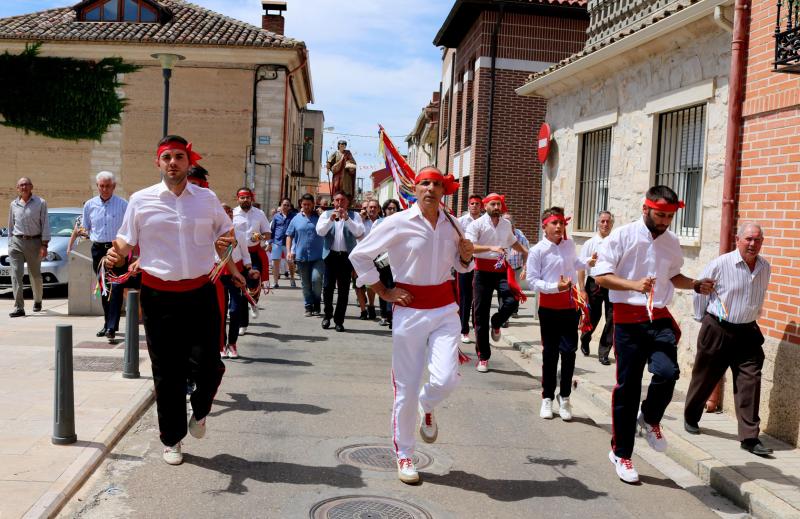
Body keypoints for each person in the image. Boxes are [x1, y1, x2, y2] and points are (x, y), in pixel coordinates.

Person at [105, 135, 244, 466]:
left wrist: (230, 251)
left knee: (209, 365)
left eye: (179, 157)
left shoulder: (206, 199)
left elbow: (225, 236)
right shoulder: (141, 200)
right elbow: (125, 240)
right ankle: (172, 439)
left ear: (188, 162)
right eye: (167, 157)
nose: (173, 162)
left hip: (200, 293)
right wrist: (116, 254)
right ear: (158, 162)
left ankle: (200, 411)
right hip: (158, 297)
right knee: (167, 372)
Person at [350, 166, 474, 484]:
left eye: (436, 184)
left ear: (444, 191)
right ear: (414, 189)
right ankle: (405, 453)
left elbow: (462, 266)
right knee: (405, 386)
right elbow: (360, 256)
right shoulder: (398, 222)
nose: (430, 188)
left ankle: (428, 402)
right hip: (410, 310)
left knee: (447, 378)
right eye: (424, 183)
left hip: (446, 309)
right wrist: (385, 291)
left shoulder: (453, 224)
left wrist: (467, 256)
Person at [594, 185, 714, 484]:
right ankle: (622, 454)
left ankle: (649, 418)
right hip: (627, 319)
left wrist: (696, 284)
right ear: (645, 209)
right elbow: (601, 277)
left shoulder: (672, 242)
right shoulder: (621, 236)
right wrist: (634, 285)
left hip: (658, 316)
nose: (664, 221)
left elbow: (673, 275)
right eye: (660, 215)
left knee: (668, 373)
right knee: (628, 387)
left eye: (670, 217)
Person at [684, 222, 773, 457]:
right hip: (718, 328)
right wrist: (703, 319)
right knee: (705, 377)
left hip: (747, 332)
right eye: (748, 239)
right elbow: (701, 290)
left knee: (750, 381)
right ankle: (691, 416)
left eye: (757, 240)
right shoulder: (721, 264)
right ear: (738, 240)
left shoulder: (765, 267)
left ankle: (750, 438)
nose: (753, 244)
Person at [527, 207, 595, 422]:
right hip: (549, 309)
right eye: (554, 223)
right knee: (550, 355)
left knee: (569, 353)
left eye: (561, 223)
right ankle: (546, 397)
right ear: (544, 226)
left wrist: (587, 263)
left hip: (570, 307)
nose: (559, 227)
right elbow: (532, 281)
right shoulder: (538, 250)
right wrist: (555, 286)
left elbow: (573, 264)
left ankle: (564, 396)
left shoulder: (569, 245)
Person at [465, 193, 528, 372]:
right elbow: (470, 246)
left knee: (512, 300)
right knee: (480, 315)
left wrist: (525, 252)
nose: (497, 208)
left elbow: (512, 242)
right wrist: (491, 247)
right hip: (482, 271)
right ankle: (483, 357)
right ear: (485, 206)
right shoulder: (476, 224)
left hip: (501, 270)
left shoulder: (506, 224)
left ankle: (497, 321)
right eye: (493, 204)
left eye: (499, 205)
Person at [82, 171, 128, 339]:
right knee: (104, 287)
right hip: (98, 250)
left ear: (114, 186)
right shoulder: (89, 205)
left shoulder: (123, 205)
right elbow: (86, 227)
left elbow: (128, 229)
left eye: (108, 186)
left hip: (117, 250)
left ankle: (111, 327)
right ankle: (107, 323)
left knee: (116, 287)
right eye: (101, 186)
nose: (105, 189)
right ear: (97, 186)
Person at [316, 190, 364, 332]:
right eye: (337, 200)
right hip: (330, 255)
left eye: (342, 200)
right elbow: (320, 231)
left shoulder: (354, 216)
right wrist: (331, 220)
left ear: (347, 202)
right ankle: (327, 315)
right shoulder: (326, 214)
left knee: (343, 290)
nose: (339, 203)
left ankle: (339, 320)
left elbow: (359, 232)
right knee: (328, 288)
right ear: (333, 201)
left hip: (346, 257)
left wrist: (347, 219)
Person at [220, 203, 260, 359]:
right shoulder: (212, 233)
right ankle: (221, 344)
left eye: (230, 212)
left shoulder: (239, 233)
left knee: (235, 310)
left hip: (236, 273)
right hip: (218, 273)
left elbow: (245, 254)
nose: (228, 214)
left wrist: (249, 269)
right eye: (224, 212)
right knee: (220, 311)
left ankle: (233, 343)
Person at [7, 177, 49, 317]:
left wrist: (44, 244)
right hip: (16, 242)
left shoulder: (41, 203)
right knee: (16, 275)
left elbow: (45, 224)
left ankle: (37, 300)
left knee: (35, 275)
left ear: (31, 186)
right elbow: (10, 225)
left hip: (34, 243)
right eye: (21, 185)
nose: (24, 187)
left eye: (26, 184)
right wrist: (10, 243)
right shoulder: (13, 204)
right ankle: (19, 307)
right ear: (17, 188)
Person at [577, 211, 615, 365]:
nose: (605, 224)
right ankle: (585, 338)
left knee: (612, 318)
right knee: (593, 316)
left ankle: (604, 352)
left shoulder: (615, 242)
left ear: (612, 223)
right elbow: (581, 267)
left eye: (608, 221)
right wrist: (582, 289)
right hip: (594, 284)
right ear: (598, 223)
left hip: (612, 283)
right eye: (602, 221)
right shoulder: (590, 243)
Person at [232, 188, 270, 334]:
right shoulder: (233, 214)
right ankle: (243, 324)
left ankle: (253, 302)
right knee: (241, 288)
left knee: (253, 284)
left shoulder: (259, 214)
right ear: (238, 199)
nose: (245, 200)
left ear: (252, 199)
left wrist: (259, 237)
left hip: (254, 254)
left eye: (248, 197)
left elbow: (267, 234)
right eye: (242, 197)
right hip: (239, 256)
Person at [286, 193, 325, 316]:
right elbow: (289, 235)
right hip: (301, 256)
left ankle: (317, 302)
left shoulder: (320, 217)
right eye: (304, 204)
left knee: (317, 280)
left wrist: (322, 214)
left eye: (309, 204)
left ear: (313, 204)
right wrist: (289, 252)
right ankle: (308, 305)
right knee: (306, 283)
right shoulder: (296, 219)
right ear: (301, 205)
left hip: (319, 256)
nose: (306, 206)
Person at [457, 194, 483, 343]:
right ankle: (464, 329)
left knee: (478, 298)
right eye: (472, 203)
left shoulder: (484, 222)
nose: (474, 206)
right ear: (468, 205)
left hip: (481, 261)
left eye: (477, 204)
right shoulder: (461, 222)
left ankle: (477, 326)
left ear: (481, 206)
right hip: (466, 261)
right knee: (465, 297)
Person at [355, 198, 383, 320]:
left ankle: (371, 306)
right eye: (370, 207)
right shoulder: (360, 222)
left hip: (375, 257)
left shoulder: (382, 223)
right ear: (366, 209)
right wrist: (360, 219)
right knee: (358, 284)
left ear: (379, 209)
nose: (372, 209)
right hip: (359, 257)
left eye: (374, 207)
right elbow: (354, 233)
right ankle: (363, 310)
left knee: (371, 284)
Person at [501, 212, 529, 326]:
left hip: (516, 267)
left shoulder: (520, 236)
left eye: (508, 222)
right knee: (504, 291)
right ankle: (504, 317)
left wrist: (524, 268)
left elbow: (526, 252)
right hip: (503, 268)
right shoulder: (499, 233)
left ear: (513, 225)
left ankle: (514, 310)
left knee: (515, 290)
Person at [377, 199, 401, 327]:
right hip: (382, 260)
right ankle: (383, 315)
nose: (392, 211)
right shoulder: (379, 223)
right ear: (384, 210)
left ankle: (392, 315)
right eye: (389, 208)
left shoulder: (401, 223)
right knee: (382, 288)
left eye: (394, 208)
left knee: (393, 287)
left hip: (396, 261)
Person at [268, 197, 297, 289]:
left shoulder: (294, 216)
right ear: (280, 206)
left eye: (288, 205)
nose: (286, 206)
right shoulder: (276, 216)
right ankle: (275, 282)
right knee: (275, 263)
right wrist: (269, 243)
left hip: (289, 243)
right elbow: (272, 230)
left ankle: (292, 278)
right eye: (284, 205)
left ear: (290, 207)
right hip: (277, 242)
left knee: (290, 262)